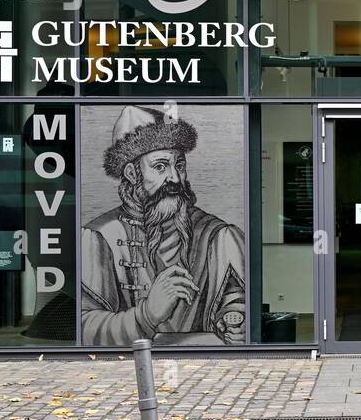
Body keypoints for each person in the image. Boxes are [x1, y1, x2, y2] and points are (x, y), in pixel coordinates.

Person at [81, 106, 246, 346]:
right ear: (131, 173)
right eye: (160, 167)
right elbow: (84, 328)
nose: (175, 179)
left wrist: (234, 319)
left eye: (179, 165)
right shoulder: (99, 237)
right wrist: (146, 314)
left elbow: (236, 297)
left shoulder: (219, 236)